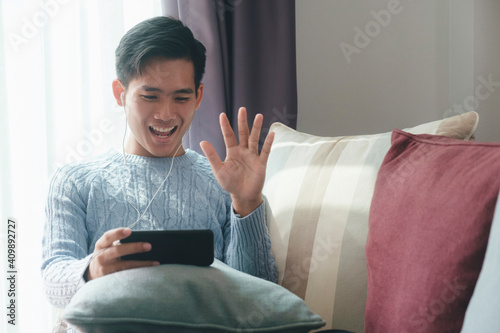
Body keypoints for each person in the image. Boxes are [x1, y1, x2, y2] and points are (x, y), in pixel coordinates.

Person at [41, 16, 278, 308]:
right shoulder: (74, 181)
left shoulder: (225, 184)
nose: (166, 114)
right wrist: (91, 271)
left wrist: (246, 203)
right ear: (120, 93)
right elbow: (53, 280)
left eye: (181, 98)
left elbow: (260, 298)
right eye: (150, 96)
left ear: (198, 96)